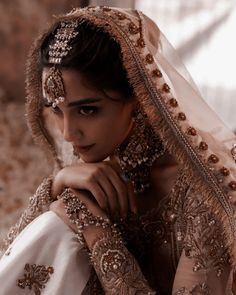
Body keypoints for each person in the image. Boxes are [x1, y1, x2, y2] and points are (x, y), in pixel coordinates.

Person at [0, 6, 236, 295]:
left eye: (87, 110)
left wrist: (95, 229)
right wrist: (58, 184)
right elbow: (12, 260)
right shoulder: (94, 166)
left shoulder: (204, 189)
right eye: (57, 111)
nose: (68, 133)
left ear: (139, 96)